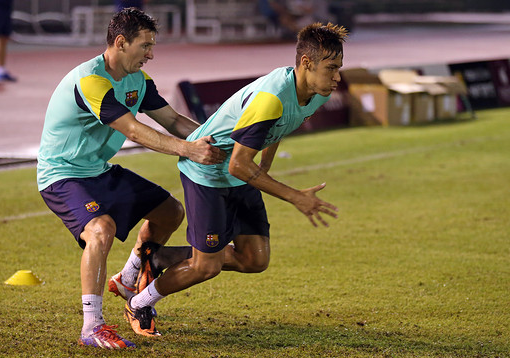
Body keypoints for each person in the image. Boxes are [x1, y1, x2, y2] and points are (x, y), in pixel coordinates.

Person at [120, 22, 347, 337]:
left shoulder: (315, 91)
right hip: (207, 171)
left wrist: (264, 165)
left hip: (238, 172)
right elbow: (240, 165)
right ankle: (139, 301)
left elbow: (276, 129)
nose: (337, 77)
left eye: (339, 68)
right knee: (205, 267)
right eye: (331, 68)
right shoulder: (272, 98)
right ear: (307, 64)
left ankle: (158, 256)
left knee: (255, 259)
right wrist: (296, 196)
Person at [36, 8, 225, 349]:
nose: (151, 54)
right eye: (145, 46)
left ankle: (126, 279)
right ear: (121, 43)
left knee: (170, 212)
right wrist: (188, 150)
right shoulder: (91, 80)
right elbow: (134, 130)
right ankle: (91, 325)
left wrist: (219, 144)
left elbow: (173, 120)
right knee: (100, 228)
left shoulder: (137, 80)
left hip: (99, 170)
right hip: (62, 175)